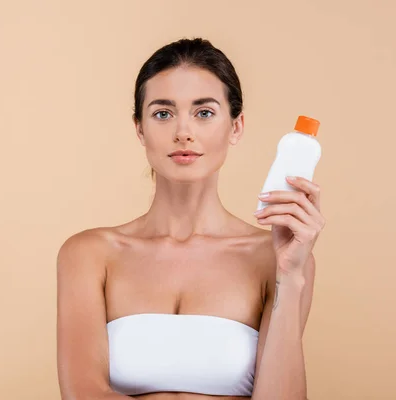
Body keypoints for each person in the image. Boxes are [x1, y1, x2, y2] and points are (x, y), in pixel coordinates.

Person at [56, 37, 324, 399]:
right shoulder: (88, 254)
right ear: (140, 128)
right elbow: (84, 394)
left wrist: (290, 279)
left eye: (204, 112)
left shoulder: (276, 259)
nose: (183, 132)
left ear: (236, 127)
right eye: (163, 113)